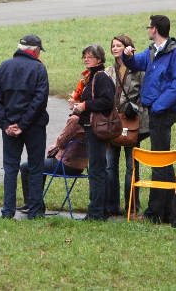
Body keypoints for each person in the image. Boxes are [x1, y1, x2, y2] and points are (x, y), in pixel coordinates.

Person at [122, 15, 176, 223]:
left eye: (149, 27)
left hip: (163, 112)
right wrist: (127, 56)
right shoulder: (152, 51)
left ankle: (156, 212)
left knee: (160, 160)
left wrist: (158, 106)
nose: (147, 29)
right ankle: (169, 208)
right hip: (153, 110)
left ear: (156, 29)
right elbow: (136, 63)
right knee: (162, 158)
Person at [0, 35, 49, 220]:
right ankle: (34, 212)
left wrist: (6, 125)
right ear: (36, 50)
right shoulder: (39, 69)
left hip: (9, 128)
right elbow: (39, 101)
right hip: (34, 127)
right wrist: (23, 125)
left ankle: (7, 211)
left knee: (10, 169)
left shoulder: (3, 67)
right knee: (36, 167)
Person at [104, 35, 149, 217]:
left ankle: (132, 208)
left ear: (128, 47)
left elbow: (145, 93)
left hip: (131, 122)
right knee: (110, 166)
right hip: (112, 123)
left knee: (132, 167)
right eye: (113, 46)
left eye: (119, 45)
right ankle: (111, 206)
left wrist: (135, 108)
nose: (115, 48)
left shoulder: (137, 69)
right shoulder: (109, 71)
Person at [71, 44, 115, 221]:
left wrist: (84, 106)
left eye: (90, 56)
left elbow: (107, 101)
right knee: (98, 169)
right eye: (84, 56)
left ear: (99, 59)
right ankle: (100, 209)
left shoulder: (101, 77)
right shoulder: (92, 77)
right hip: (90, 128)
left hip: (96, 130)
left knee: (97, 171)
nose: (86, 59)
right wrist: (77, 106)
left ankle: (96, 212)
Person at [18, 114, 86, 213]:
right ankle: (35, 204)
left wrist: (55, 145)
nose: (69, 100)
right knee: (41, 166)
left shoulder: (75, 119)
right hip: (79, 165)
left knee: (26, 166)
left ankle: (32, 204)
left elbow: (62, 142)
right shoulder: (87, 118)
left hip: (66, 163)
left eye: (72, 98)